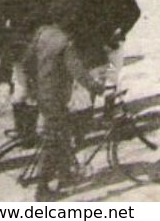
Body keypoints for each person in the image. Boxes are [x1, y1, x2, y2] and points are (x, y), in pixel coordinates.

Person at [20, 20, 106, 199]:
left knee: (63, 134)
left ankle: (65, 174)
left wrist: (32, 85)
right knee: (53, 141)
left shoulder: (42, 32)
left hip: (42, 94)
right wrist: (96, 87)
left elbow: (27, 61)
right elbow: (78, 72)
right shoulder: (65, 43)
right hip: (56, 98)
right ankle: (42, 189)